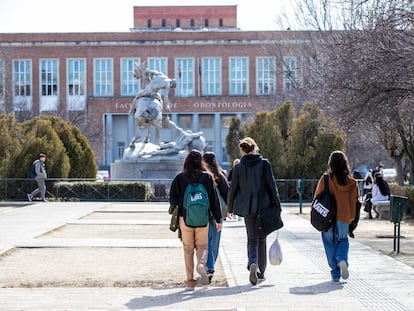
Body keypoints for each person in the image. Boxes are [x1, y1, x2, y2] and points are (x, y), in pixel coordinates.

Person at [227, 137, 281, 286]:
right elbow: (272, 186)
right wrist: (277, 205)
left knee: (251, 239)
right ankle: (261, 273)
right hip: (263, 207)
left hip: (247, 208)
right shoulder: (264, 164)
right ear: (255, 147)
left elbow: (233, 189)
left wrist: (230, 209)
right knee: (262, 239)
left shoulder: (238, 167)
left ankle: (252, 262)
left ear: (243, 150)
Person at [169, 150, 222, 291]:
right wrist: (218, 219)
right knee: (203, 247)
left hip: (184, 218)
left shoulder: (180, 178)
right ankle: (201, 264)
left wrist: (176, 206)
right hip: (203, 219)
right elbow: (214, 200)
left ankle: (190, 281)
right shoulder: (206, 178)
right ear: (201, 162)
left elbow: (172, 199)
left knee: (188, 250)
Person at [313, 150, 359, 282]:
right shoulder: (352, 183)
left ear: (330, 163)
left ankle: (335, 272)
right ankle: (342, 259)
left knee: (329, 243)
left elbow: (317, 197)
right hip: (344, 217)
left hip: (327, 216)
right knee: (343, 240)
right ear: (345, 163)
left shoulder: (326, 179)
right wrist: (351, 218)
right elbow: (354, 202)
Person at [202, 152, 229, 283]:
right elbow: (226, 193)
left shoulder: (202, 175)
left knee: (207, 239)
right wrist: (230, 209)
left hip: (205, 212)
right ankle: (211, 265)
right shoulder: (219, 175)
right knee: (216, 240)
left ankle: (209, 265)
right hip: (218, 213)